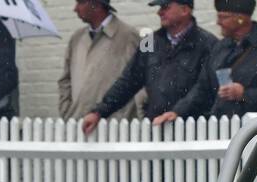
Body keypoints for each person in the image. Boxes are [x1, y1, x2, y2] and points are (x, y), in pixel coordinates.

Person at [83, 0, 217, 133]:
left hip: (194, 131)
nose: (159, 12)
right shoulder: (149, 42)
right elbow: (128, 81)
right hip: (156, 128)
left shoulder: (207, 45)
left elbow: (204, 90)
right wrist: (99, 112)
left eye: (165, 7)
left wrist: (179, 112)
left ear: (185, 10)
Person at [155, 0, 257, 122]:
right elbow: (202, 89)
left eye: (224, 17)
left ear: (241, 19)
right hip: (223, 129)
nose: (218, 22)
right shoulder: (219, 48)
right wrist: (177, 111)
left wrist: (244, 94)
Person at [58, 0, 143, 121]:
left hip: (115, 128)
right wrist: (67, 111)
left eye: (81, 3)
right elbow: (65, 80)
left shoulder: (128, 36)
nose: (75, 9)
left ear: (96, 5)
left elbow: (142, 81)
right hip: (78, 125)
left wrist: (129, 117)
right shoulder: (76, 38)